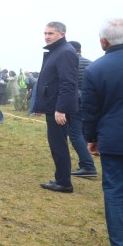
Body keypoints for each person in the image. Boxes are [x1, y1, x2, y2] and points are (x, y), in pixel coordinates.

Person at [82, 18, 123, 246]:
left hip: (114, 139)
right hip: (114, 138)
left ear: (103, 41)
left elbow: (90, 109)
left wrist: (91, 138)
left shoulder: (96, 69)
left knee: (114, 192)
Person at [34, 21, 78, 193]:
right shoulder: (56, 51)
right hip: (52, 105)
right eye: (45, 33)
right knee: (56, 144)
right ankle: (61, 177)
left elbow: (68, 83)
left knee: (59, 144)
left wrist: (60, 109)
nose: (47, 37)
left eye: (51, 33)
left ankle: (64, 182)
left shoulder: (65, 52)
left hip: (57, 108)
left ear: (62, 33)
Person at [66, 41, 98, 178]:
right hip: (90, 103)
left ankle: (87, 165)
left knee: (75, 134)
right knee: (84, 133)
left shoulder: (70, 64)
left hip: (76, 103)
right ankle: (85, 163)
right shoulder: (92, 64)